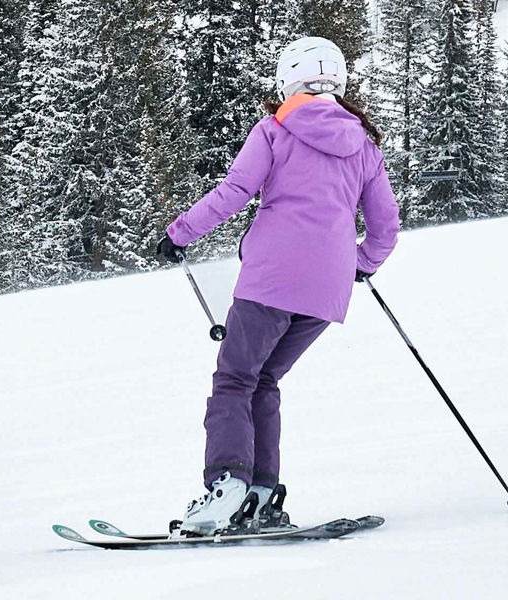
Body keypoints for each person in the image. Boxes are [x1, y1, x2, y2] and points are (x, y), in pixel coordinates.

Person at [151, 36, 401, 536]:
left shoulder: (274, 130)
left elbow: (234, 192)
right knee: (262, 379)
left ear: (289, 77)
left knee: (234, 380)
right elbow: (386, 226)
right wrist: (362, 265)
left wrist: (178, 235)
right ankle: (261, 494)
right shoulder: (364, 145)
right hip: (327, 291)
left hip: (270, 280)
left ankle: (226, 487)